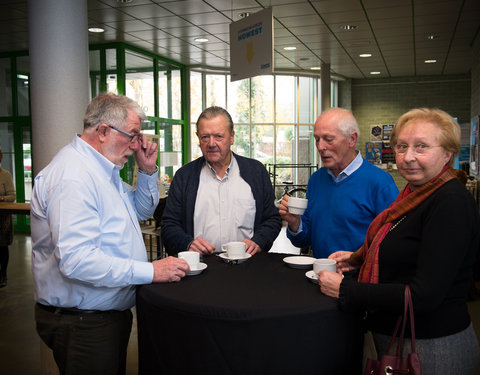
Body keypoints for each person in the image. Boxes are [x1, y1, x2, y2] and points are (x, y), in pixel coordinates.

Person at [30, 93, 190, 375]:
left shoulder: (102, 170)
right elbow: (77, 260)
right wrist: (150, 271)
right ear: (103, 131)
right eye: (132, 135)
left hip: (99, 318)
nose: (136, 144)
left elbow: (140, 210)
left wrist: (147, 169)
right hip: (83, 323)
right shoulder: (74, 177)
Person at [319, 108, 480, 374]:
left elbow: (423, 296)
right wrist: (359, 257)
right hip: (402, 341)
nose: (408, 157)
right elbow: (403, 247)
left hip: (431, 349)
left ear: (448, 153)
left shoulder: (450, 202)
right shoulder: (414, 194)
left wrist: (347, 289)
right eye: (402, 146)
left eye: (422, 147)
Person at [279, 107, 398, 258]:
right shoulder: (316, 180)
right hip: (319, 275)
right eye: (317, 139)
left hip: (358, 279)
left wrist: (356, 259)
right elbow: (305, 239)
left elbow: (393, 245)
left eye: (329, 139)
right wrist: (295, 223)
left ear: (352, 139)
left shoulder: (380, 183)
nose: (321, 147)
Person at [161, 106, 281, 256]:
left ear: (231, 137)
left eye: (218, 136)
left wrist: (259, 241)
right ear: (198, 137)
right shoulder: (184, 177)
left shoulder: (256, 172)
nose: (211, 143)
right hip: (200, 267)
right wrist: (187, 243)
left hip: (248, 266)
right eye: (205, 137)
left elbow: (272, 219)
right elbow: (169, 226)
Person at [0, 149, 15, 288]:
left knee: (2, 247)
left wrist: (2, 198)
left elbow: (12, 196)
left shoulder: (5, 175)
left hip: (2, 219)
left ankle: (3, 275)